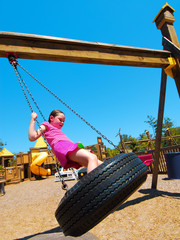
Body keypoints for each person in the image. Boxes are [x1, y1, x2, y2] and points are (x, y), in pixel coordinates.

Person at [29, 110, 103, 173]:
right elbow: (32, 137)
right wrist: (33, 119)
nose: (62, 123)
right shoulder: (46, 125)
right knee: (92, 157)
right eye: (60, 120)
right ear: (51, 118)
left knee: (100, 164)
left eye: (63, 121)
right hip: (63, 146)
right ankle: (92, 185)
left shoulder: (57, 131)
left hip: (67, 146)